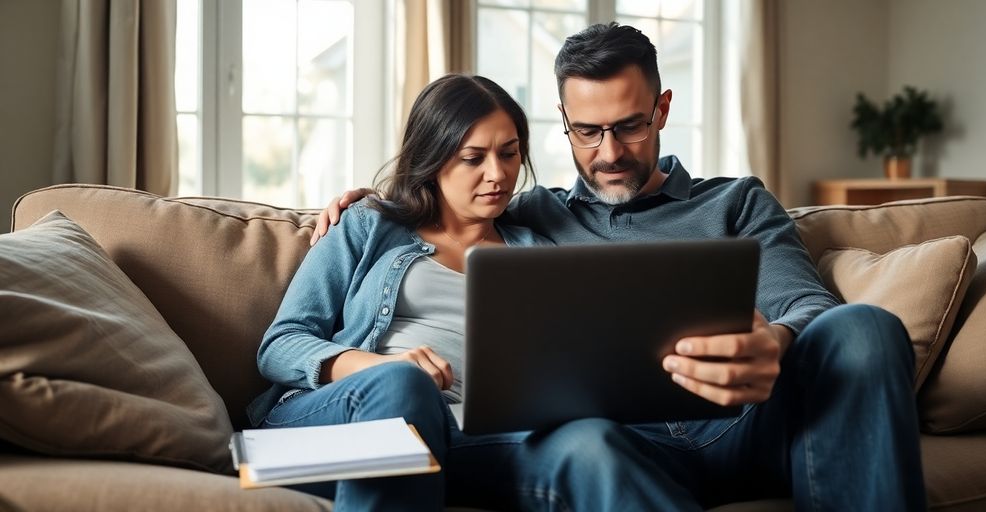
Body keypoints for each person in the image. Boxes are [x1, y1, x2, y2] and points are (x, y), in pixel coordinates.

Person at [315, 23, 927, 511]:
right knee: (590, 444)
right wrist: (373, 204)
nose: (608, 153)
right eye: (587, 131)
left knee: (866, 329)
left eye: (630, 126)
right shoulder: (533, 218)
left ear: (661, 109)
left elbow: (809, 304)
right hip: (612, 444)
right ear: (563, 123)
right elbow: (450, 191)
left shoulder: (736, 201)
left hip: (742, 427)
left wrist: (775, 339)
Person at [247, 73, 550, 511]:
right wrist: (382, 369)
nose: (498, 174)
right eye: (473, 158)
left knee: (587, 443)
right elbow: (279, 347)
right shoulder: (368, 225)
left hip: (467, 432)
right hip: (341, 413)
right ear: (433, 158)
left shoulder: (537, 251)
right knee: (403, 385)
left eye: (509, 153)